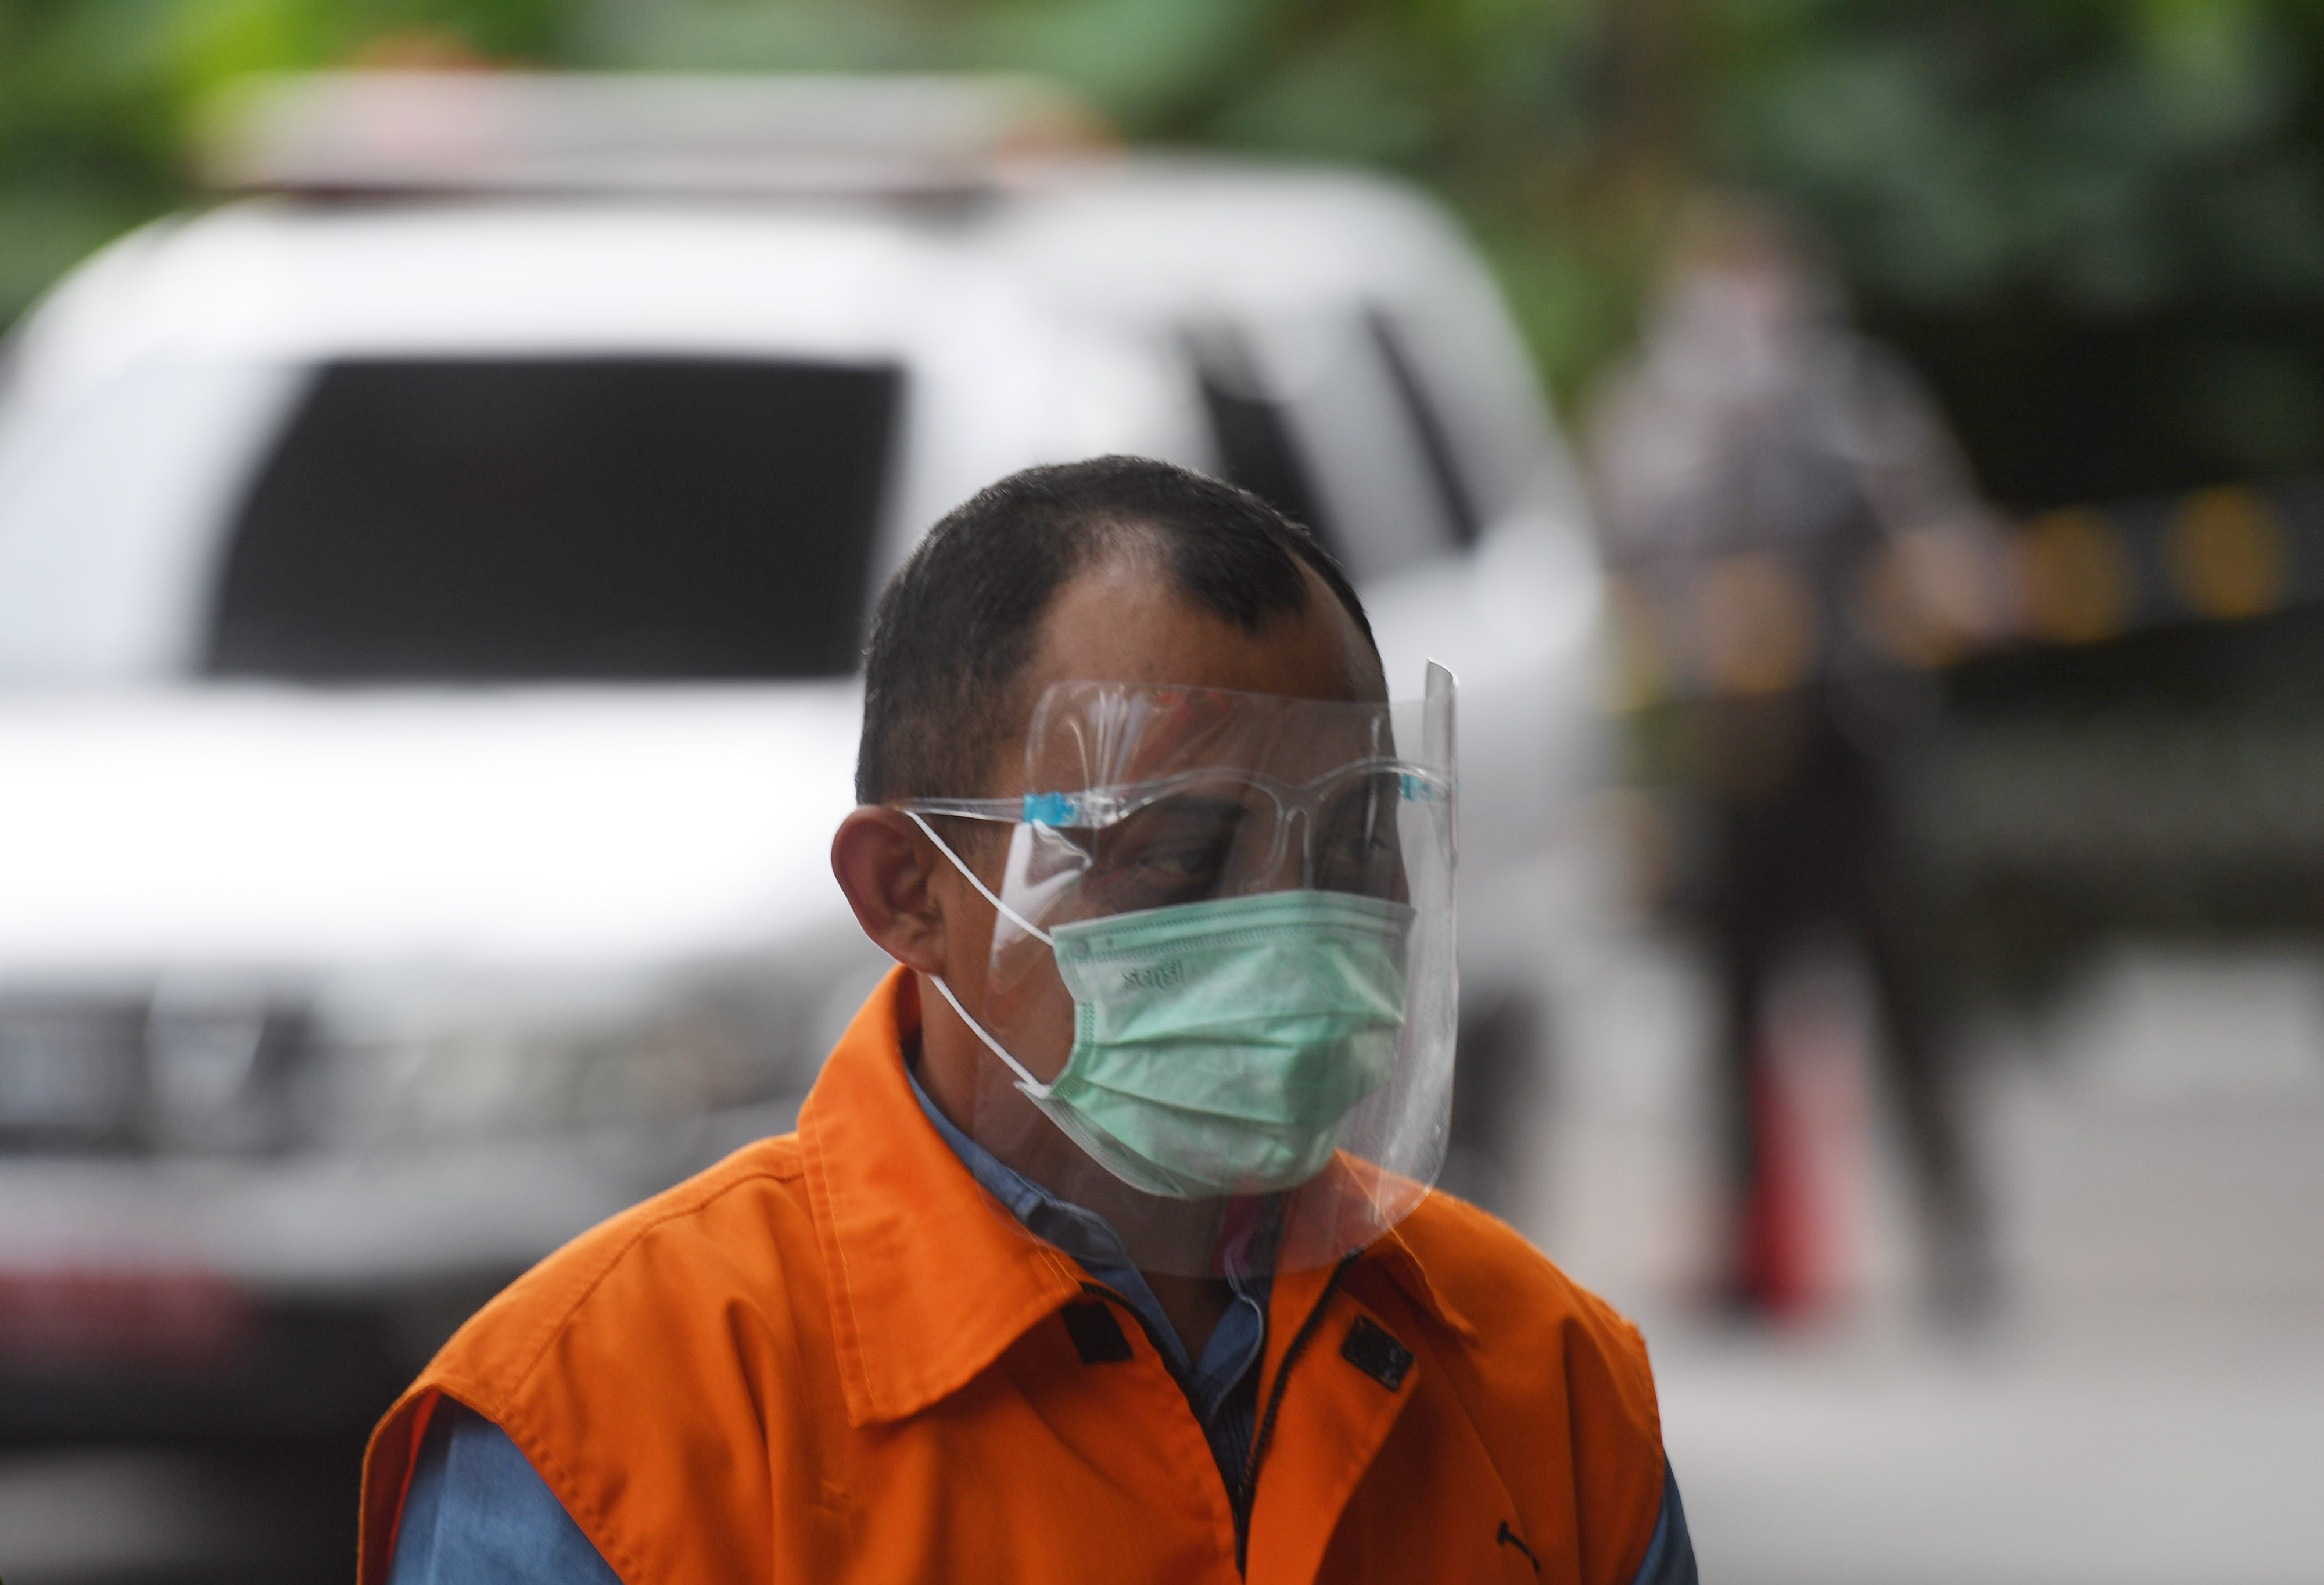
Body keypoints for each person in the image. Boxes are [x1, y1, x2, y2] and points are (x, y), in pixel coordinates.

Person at [359, 456, 1697, 1584]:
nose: (1296, 915)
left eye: (1353, 835)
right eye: (1179, 850)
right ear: (908, 893)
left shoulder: (1543, 1375)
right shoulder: (610, 1416)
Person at [1587, 199, 2003, 1321]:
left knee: (1910, 999)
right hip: (1734, 762)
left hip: (1859, 744)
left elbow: (1945, 549)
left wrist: (1946, 584)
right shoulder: (1655, 423)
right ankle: (1741, 1250)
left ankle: (1963, 1249)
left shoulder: (1860, 405)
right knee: (1732, 1011)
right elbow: (1616, 583)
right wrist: (1699, 631)